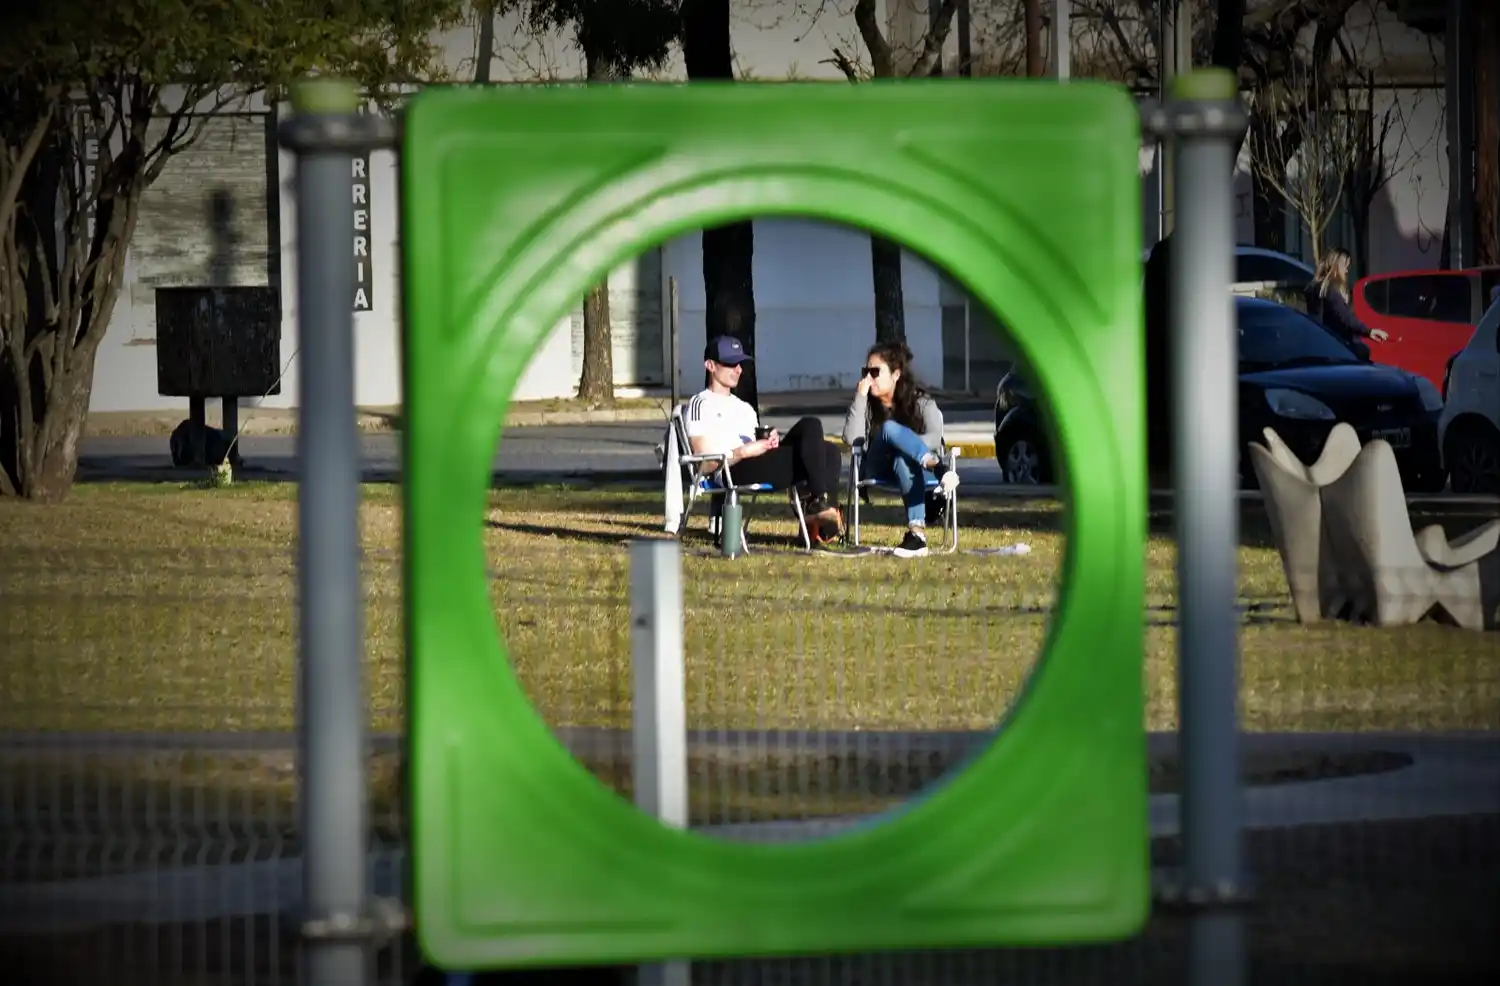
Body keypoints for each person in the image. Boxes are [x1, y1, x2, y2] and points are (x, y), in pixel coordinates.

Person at [684, 335, 844, 543]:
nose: (738, 370)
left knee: (820, 437)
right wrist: (741, 452)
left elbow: (758, 445)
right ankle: (819, 514)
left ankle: (818, 505)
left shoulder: (745, 408)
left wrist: (769, 442)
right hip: (731, 467)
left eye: (740, 364)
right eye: (731, 364)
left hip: (759, 462)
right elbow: (702, 461)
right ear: (710, 365)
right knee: (819, 451)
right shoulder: (700, 404)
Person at [841, 340, 959, 558]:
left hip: (910, 467)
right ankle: (937, 466)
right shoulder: (866, 404)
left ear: (895, 374)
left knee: (902, 457)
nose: (868, 378)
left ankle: (917, 536)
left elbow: (935, 437)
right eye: (865, 371)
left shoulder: (921, 402)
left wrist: (905, 446)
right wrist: (860, 397)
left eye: (875, 372)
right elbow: (851, 439)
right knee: (888, 429)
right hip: (876, 466)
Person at [1303, 246, 1387, 360]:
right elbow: (1345, 317)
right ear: (1336, 266)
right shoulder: (1330, 290)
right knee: (1363, 351)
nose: (1347, 271)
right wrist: (1368, 331)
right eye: (1345, 267)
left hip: (1319, 343)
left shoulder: (1315, 287)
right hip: (1333, 345)